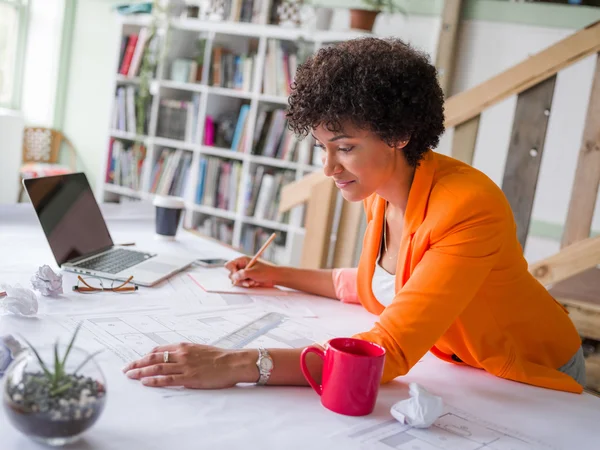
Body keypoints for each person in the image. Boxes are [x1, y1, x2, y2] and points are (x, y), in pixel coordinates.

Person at [123, 37, 585, 393]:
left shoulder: (468, 208)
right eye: (323, 147)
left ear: (399, 133)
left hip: (523, 368)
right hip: (458, 366)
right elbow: (374, 283)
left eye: (344, 148)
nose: (327, 168)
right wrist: (279, 273)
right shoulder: (379, 188)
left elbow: (391, 351)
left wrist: (237, 363)